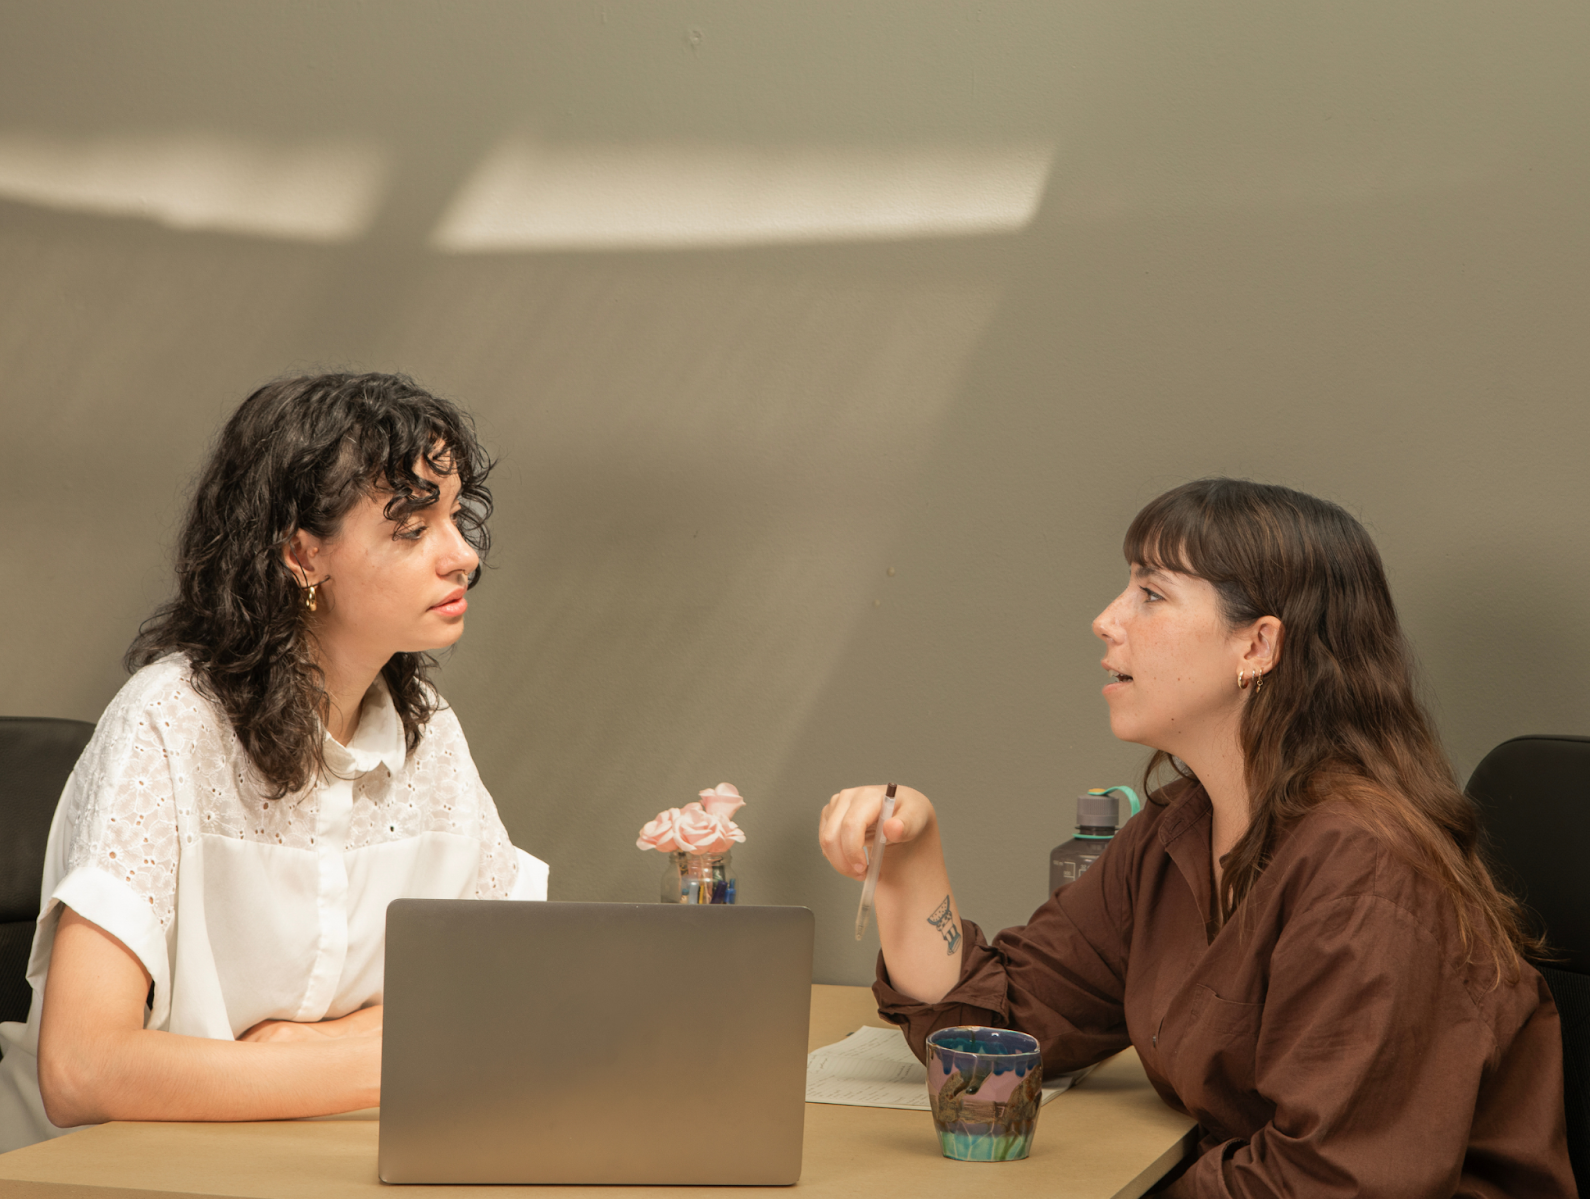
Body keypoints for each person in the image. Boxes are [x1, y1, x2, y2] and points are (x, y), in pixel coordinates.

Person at [818, 478, 1574, 1197]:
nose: (1106, 619)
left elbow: (1332, 1185)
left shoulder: (1368, 871)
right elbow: (996, 1037)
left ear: (1258, 646)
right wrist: (910, 860)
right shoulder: (1178, 831)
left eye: (1151, 594)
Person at [0, 373, 547, 1153]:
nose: (463, 555)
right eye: (412, 528)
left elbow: (514, 990)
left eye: (457, 516)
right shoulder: (168, 720)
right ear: (300, 553)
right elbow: (83, 1068)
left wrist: (310, 1046)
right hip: (88, 1170)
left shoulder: (427, 733)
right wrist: (395, 1054)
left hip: (284, 1159)